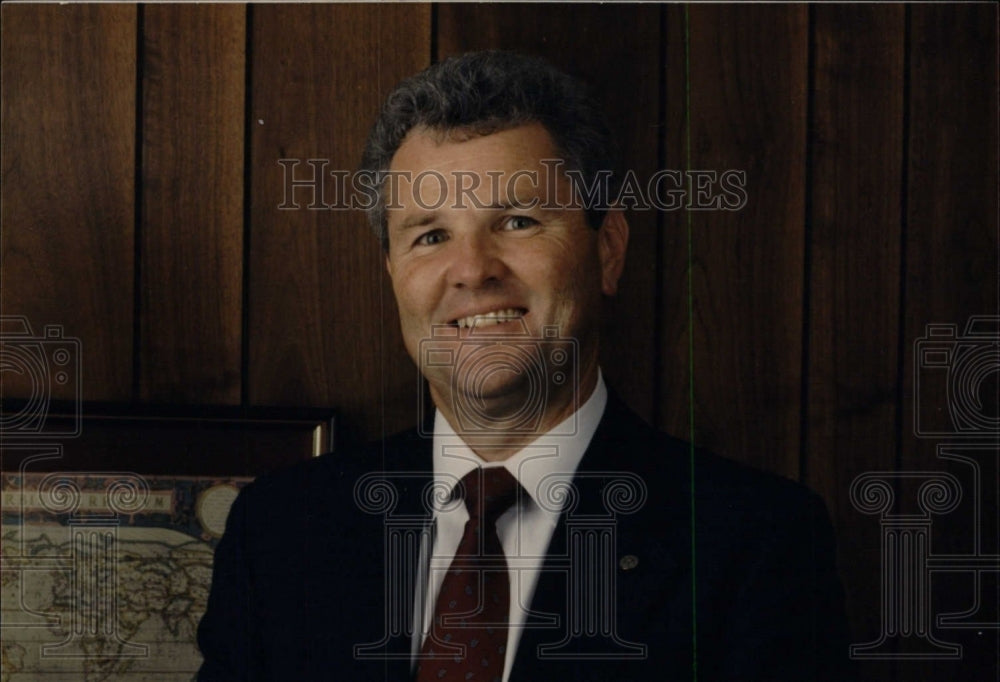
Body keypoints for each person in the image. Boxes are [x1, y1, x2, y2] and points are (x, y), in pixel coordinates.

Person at [197, 50, 852, 681]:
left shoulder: (755, 543)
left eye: (516, 221)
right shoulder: (280, 533)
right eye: (430, 235)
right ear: (393, 273)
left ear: (610, 251)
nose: (474, 269)